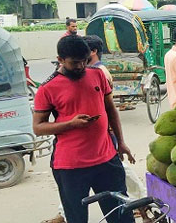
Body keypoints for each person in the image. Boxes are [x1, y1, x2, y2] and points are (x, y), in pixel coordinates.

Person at [33, 36, 135, 223]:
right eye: (74, 62)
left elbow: (110, 108)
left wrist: (120, 142)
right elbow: (38, 127)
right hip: (71, 166)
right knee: (77, 218)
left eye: (84, 61)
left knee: (121, 215)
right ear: (61, 59)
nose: (80, 66)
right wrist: (70, 124)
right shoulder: (47, 88)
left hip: (107, 160)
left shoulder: (97, 75)